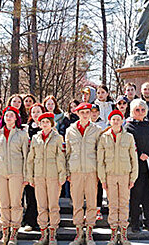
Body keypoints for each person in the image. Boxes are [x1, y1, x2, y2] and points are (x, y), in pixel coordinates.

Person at [0, 106, 29, 245]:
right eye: (6, 115)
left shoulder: (22, 134)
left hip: (16, 173)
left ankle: (14, 234)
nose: (8, 118)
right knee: (3, 203)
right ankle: (5, 233)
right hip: (0, 173)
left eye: (12, 115)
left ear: (16, 118)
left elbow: (26, 156)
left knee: (15, 203)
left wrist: (26, 175)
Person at [97, 110, 139, 245]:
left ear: (122, 121)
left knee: (124, 204)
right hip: (110, 175)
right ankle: (114, 234)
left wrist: (133, 177)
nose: (116, 122)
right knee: (113, 205)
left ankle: (124, 233)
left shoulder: (129, 137)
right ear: (110, 121)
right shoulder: (104, 137)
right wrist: (102, 178)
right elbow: (100, 160)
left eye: (118, 119)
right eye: (113, 119)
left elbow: (134, 158)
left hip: (124, 175)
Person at [65, 102, 102, 245]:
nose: (86, 115)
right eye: (82, 112)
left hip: (92, 171)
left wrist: (100, 172)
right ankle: (79, 233)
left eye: (88, 112)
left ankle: (90, 233)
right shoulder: (70, 130)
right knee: (77, 203)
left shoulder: (96, 130)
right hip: (76, 172)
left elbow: (100, 152)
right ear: (77, 114)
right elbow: (67, 153)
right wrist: (68, 171)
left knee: (92, 203)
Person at [27, 112, 66, 245]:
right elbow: (30, 159)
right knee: (41, 206)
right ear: (39, 124)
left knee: (53, 205)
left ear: (51, 123)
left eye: (47, 122)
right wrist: (30, 176)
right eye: (42, 122)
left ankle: (53, 234)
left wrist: (62, 174)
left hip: (53, 175)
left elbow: (61, 158)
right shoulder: (35, 138)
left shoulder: (57, 138)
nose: (45, 124)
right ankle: (43, 234)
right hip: (39, 176)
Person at [125, 99, 149, 233]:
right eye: (137, 110)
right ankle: (134, 223)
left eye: (143, 110)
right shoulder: (128, 127)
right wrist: (139, 155)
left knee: (148, 196)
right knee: (136, 196)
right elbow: (127, 147)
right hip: (136, 166)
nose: (140, 112)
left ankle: (148, 222)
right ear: (132, 111)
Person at [22, 104, 45, 232]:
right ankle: (29, 221)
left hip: (44, 166)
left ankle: (43, 222)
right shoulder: (26, 128)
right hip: (30, 165)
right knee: (30, 194)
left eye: (38, 111)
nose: (36, 114)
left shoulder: (47, 127)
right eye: (34, 112)